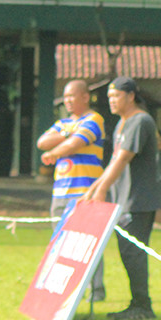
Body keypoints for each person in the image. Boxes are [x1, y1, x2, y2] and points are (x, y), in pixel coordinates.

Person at [81, 76, 161, 320]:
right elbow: (112, 162)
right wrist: (94, 187)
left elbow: (123, 159)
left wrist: (100, 191)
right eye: (109, 97)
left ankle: (142, 305)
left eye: (116, 96)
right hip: (123, 199)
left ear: (130, 96)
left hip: (138, 200)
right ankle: (136, 303)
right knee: (127, 252)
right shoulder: (121, 124)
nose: (111, 101)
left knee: (133, 253)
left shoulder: (140, 121)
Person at [37, 80, 106, 299]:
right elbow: (42, 142)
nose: (67, 101)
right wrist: (66, 135)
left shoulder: (94, 119)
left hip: (85, 190)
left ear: (85, 97)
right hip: (60, 192)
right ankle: (65, 287)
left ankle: (95, 290)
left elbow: (75, 144)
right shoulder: (63, 123)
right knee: (60, 242)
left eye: (72, 96)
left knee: (87, 241)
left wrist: (54, 153)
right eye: (65, 97)